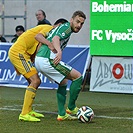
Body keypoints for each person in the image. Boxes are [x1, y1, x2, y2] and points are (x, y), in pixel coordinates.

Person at [8, 19, 68, 122]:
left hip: (23, 54)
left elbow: (37, 46)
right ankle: (24, 113)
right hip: (19, 53)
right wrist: (49, 44)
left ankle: (29, 110)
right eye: (62, 28)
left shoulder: (50, 33)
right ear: (58, 25)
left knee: (33, 82)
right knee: (35, 81)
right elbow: (38, 37)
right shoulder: (49, 28)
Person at [35, 10, 86, 121]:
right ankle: (71, 108)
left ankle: (62, 114)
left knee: (63, 82)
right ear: (71, 20)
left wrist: (37, 57)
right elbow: (55, 38)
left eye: (82, 24)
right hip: (47, 59)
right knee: (78, 77)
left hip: (40, 59)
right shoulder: (67, 27)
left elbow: (42, 38)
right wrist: (59, 51)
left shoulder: (59, 28)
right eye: (77, 22)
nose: (79, 25)